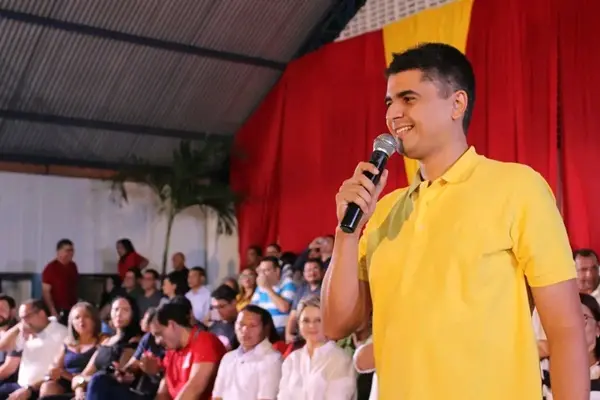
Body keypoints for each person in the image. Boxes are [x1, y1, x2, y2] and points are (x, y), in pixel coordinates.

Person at [321, 42, 588, 400]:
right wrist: (346, 233)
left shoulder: (517, 187)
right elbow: (336, 323)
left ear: (457, 104)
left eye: (408, 99)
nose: (394, 114)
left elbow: (565, 330)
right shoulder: (383, 210)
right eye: (389, 102)